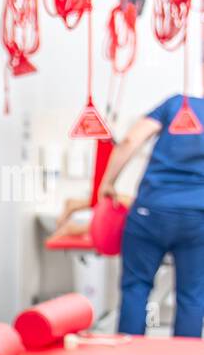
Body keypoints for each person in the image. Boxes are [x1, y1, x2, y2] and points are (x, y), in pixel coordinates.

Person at [59, 93, 204, 337]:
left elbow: (130, 140)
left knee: (136, 287)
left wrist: (106, 182)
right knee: (192, 295)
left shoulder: (175, 104)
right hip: (197, 216)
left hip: (151, 211)